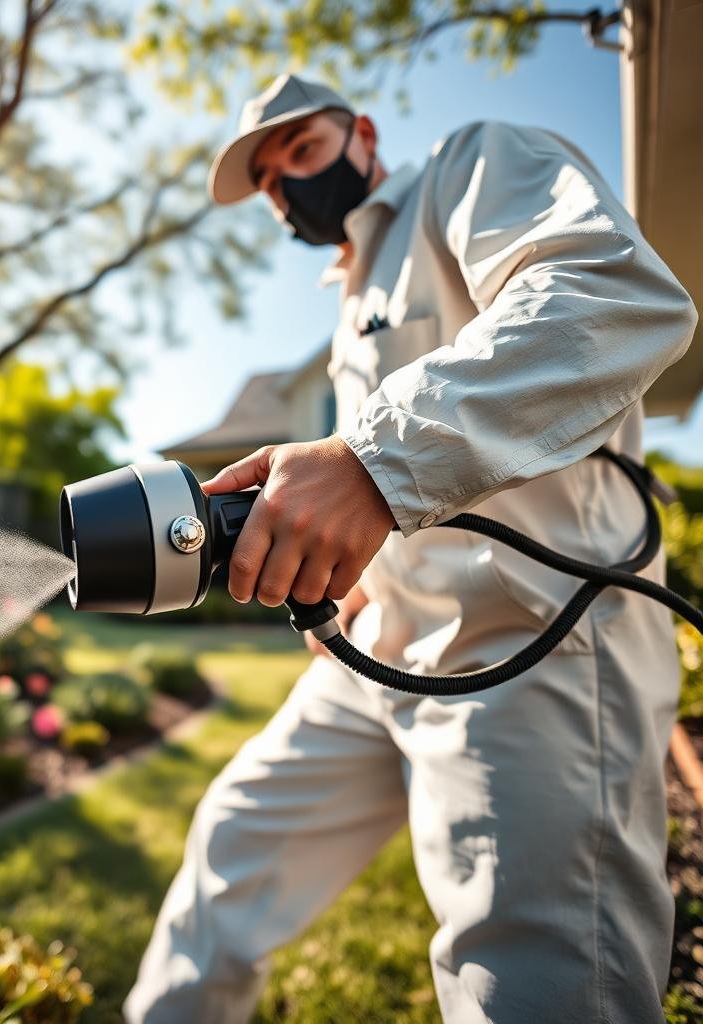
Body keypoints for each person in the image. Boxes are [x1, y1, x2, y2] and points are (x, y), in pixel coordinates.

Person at [122, 72, 699, 1024]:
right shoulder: (356, 290)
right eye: (269, 183)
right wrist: (349, 585)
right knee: (231, 852)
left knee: (524, 982)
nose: (287, 189)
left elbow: (614, 292)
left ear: (364, 136)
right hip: (379, 656)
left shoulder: (468, 167)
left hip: (524, 649)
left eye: (300, 153)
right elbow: (404, 501)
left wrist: (368, 459)